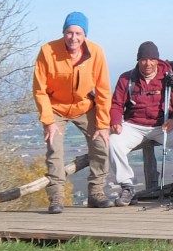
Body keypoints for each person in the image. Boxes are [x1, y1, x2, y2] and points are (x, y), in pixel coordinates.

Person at [33, 12, 113, 213]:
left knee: (101, 144)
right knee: (54, 148)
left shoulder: (96, 52)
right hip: (55, 108)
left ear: (85, 35)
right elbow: (39, 90)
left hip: (84, 106)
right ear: (63, 32)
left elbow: (103, 90)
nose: (73, 38)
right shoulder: (47, 51)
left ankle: (96, 192)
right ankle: (56, 196)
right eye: (69, 32)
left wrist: (103, 124)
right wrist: (48, 121)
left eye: (78, 33)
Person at [108, 41, 173, 206]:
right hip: (134, 125)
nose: (147, 63)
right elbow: (116, 105)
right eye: (143, 59)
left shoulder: (169, 78)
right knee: (113, 141)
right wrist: (115, 121)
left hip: (163, 125)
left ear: (157, 60)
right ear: (138, 60)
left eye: (151, 59)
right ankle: (127, 186)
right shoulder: (127, 79)